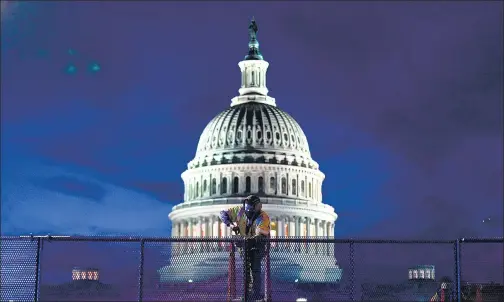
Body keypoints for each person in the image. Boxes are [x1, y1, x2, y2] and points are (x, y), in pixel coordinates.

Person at [219, 195, 270, 301]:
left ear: (258, 207)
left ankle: (254, 294)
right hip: (244, 245)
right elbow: (223, 214)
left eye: (251, 208)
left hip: (257, 245)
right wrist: (231, 224)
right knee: (246, 271)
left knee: (255, 269)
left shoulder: (263, 216)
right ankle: (248, 294)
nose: (248, 211)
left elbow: (262, 232)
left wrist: (253, 237)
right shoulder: (239, 211)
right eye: (247, 208)